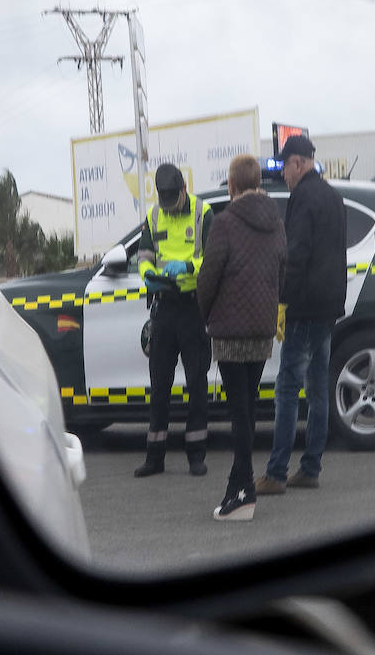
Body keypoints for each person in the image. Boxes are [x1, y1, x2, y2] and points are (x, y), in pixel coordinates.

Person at [196, 154, 286, 521]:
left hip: (230, 329)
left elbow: (209, 276)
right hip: (261, 327)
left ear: (231, 185)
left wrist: (205, 315)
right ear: (259, 182)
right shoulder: (276, 221)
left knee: (239, 412)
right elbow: (283, 269)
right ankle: (237, 486)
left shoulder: (226, 222)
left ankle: (244, 492)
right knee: (247, 407)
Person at [257, 134, 346, 494]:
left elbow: (296, 255)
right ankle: (310, 468)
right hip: (328, 306)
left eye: (285, 170)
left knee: (287, 388)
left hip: (303, 306)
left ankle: (276, 473)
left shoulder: (303, 198)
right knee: (319, 389)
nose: (285, 178)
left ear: (298, 163)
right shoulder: (333, 196)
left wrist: (281, 301)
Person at [133, 162, 214, 477]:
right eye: (165, 201)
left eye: (175, 200)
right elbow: (143, 255)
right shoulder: (154, 216)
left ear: (184, 189)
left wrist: (188, 268)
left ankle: (196, 454)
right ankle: (155, 457)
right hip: (163, 307)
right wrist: (148, 275)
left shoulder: (202, 213)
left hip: (193, 308)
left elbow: (211, 255)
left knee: (196, 381)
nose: (170, 206)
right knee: (160, 384)